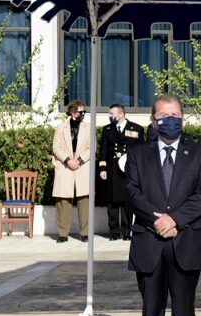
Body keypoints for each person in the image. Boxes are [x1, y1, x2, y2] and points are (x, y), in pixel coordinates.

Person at [125, 94, 201, 316]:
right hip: (149, 241)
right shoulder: (138, 154)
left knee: (184, 308)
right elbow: (132, 193)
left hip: (185, 240)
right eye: (164, 116)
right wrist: (157, 221)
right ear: (153, 120)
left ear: (183, 118)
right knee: (152, 308)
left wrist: (174, 219)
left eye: (175, 115)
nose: (170, 120)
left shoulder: (198, 153)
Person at [99, 103, 145, 241]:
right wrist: (102, 168)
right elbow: (103, 151)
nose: (110, 116)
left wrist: (139, 170)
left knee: (126, 202)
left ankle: (126, 231)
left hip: (128, 169)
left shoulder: (136, 129)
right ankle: (113, 231)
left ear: (121, 114)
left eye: (112, 114)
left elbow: (141, 152)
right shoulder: (107, 129)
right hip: (112, 169)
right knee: (112, 202)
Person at [52, 100, 91, 243]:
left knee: (84, 200)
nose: (83, 114)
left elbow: (91, 147)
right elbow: (56, 147)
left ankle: (85, 233)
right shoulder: (60, 127)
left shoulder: (88, 127)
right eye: (81, 112)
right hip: (65, 165)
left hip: (82, 165)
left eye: (84, 111)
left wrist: (79, 161)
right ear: (73, 112)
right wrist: (68, 160)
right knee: (63, 200)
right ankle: (63, 234)